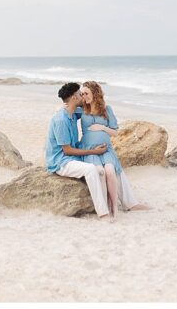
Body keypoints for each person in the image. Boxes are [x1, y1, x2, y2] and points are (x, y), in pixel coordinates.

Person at [78, 80, 151, 216]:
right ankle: (106, 206)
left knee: (111, 171)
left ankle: (114, 207)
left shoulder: (107, 109)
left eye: (86, 93)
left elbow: (115, 132)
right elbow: (67, 111)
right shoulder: (81, 109)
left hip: (106, 149)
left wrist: (102, 127)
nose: (84, 96)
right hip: (90, 149)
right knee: (101, 172)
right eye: (82, 94)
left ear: (95, 93)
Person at [45, 82, 113, 220]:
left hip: (72, 157)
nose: (83, 96)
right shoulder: (61, 120)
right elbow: (67, 150)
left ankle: (108, 205)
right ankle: (103, 213)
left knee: (101, 171)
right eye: (80, 94)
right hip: (61, 161)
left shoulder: (73, 113)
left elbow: (91, 110)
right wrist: (94, 152)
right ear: (74, 97)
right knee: (90, 170)